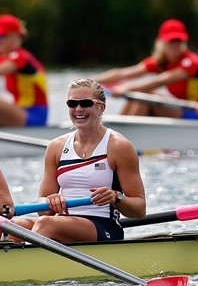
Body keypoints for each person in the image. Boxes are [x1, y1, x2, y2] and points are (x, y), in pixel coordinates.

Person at [10, 78, 146, 243]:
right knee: (12, 226)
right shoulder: (56, 147)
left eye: (85, 103)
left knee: (47, 224)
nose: (78, 109)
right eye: (72, 104)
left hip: (103, 226)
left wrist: (116, 197)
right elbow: (42, 208)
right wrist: (49, 201)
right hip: (61, 222)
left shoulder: (119, 146)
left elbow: (139, 209)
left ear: (101, 107)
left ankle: (27, 265)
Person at [93, 19, 198, 119]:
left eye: (178, 41)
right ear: (162, 42)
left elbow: (160, 81)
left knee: (144, 96)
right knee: (138, 96)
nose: (176, 45)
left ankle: (125, 139)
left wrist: (125, 89)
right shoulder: (161, 61)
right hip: (180, 108)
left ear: (184, 41)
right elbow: (124, 73)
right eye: (171, 41)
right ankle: (118, 134)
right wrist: (90, 82)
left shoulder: (191, 61)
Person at [0, 14, 48, 126]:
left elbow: (2, 69)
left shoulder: (21, 56)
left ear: (15, 36)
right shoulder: (5, 58)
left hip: (34, 116)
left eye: (1, 36)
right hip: (20, 111)